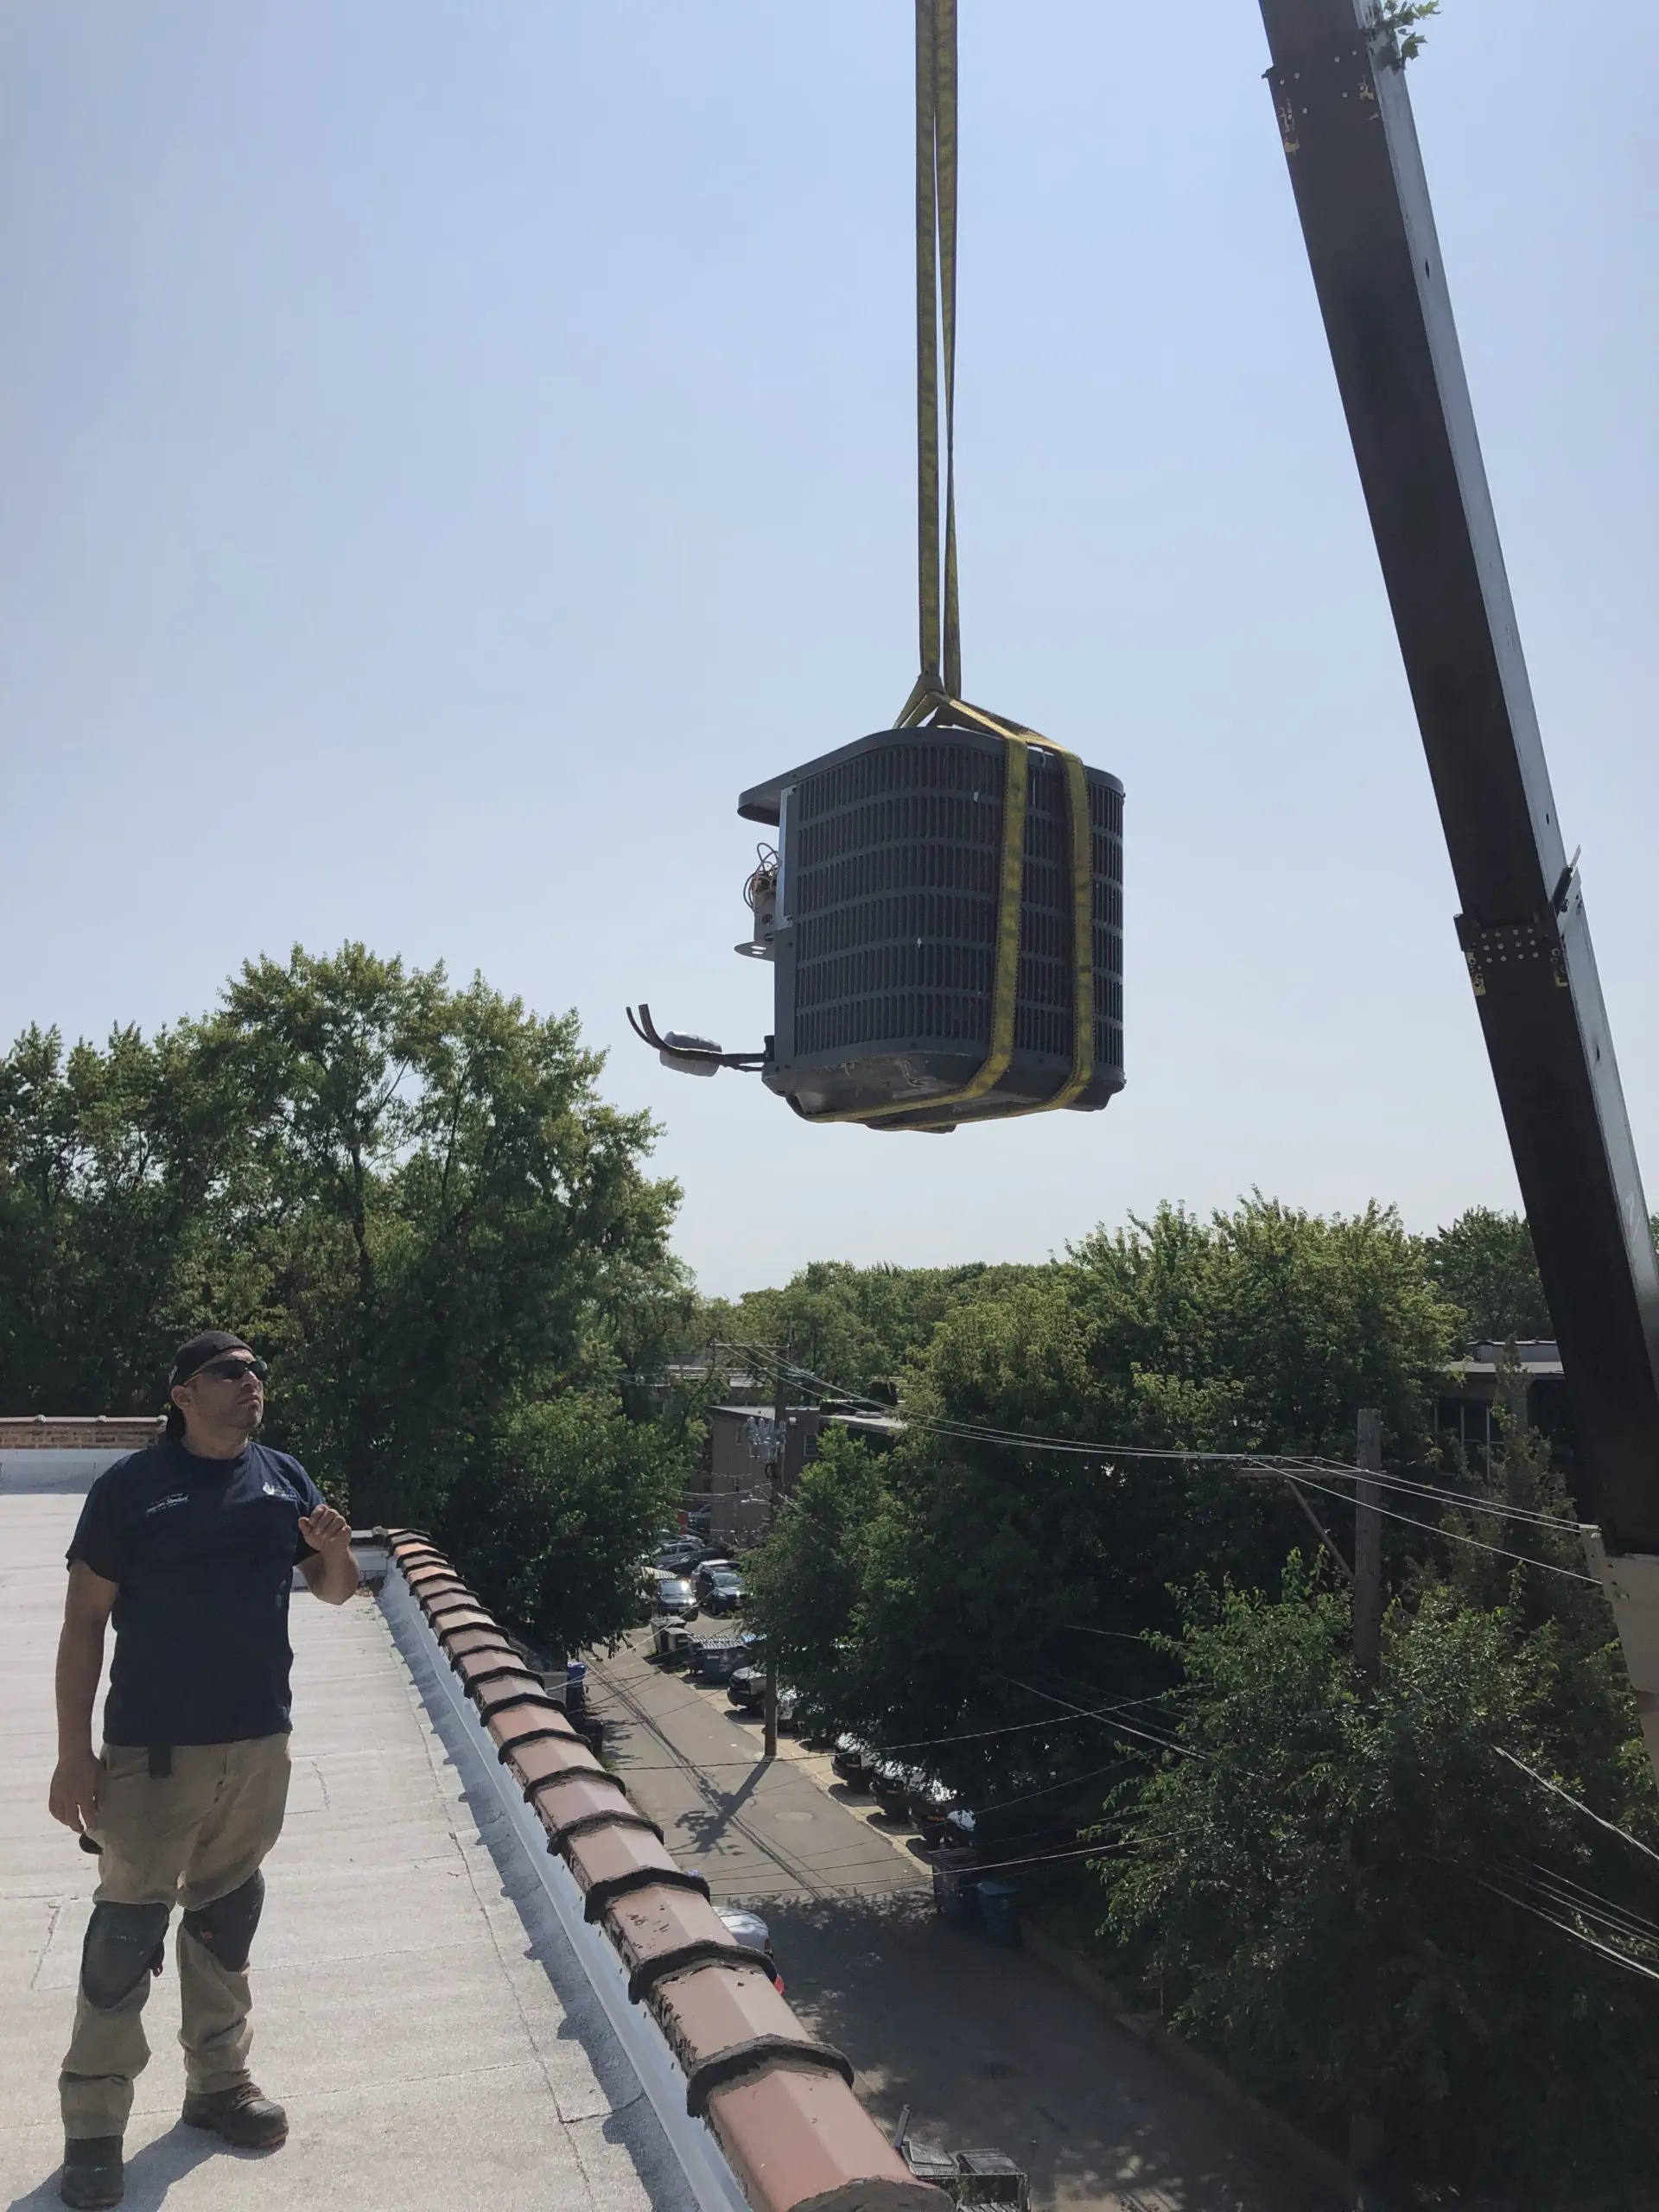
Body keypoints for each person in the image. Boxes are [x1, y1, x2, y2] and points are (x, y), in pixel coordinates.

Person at [48, 1331, 359, 2209]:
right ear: (184, 1394)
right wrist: (76, 1753)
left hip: (259, 1742)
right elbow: (83, 1624)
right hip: (155, 1751)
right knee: (123, 1940)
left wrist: (334, 1548)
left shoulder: (284, 1477)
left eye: (257, 1368)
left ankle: (219, 2085)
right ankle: (94, 2130)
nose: (251, 1380)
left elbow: (334, 1590)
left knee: (227, 1914)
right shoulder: (131, 1490)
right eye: (230, 1371)